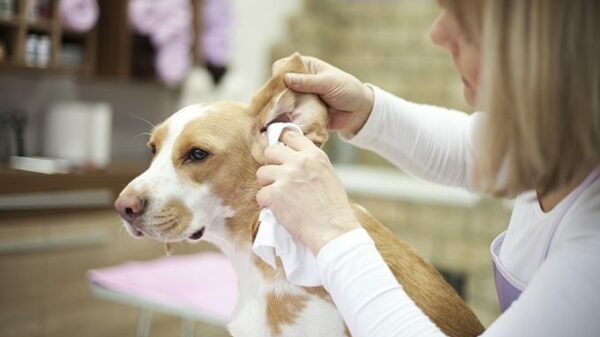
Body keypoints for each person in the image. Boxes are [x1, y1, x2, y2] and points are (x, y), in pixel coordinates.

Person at [255, 0, 600, 336]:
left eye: (467, 28)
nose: (438, 33)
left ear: (544, 53)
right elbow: (468, 149)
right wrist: (363, 109)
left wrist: (331, 230)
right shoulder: (560, 140)